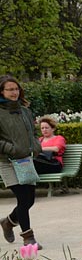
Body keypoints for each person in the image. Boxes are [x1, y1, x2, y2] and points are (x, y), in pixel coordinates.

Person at [0, 75, 43, 246]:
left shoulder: (25, 111)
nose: (14, 92)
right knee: (23, 198)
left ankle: (8, 222)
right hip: (7, 161)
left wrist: (36, 146)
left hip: (25, 160)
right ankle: (28, 237)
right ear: (2, 91)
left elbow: (33, 133)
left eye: (16, 89)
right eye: (9, 89)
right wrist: (12, 149)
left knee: (30, 199)